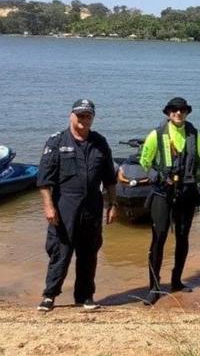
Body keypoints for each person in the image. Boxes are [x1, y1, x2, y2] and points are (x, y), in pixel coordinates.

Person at [36, 99, 117, 312]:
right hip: (65, 206)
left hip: (92, 205)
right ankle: (49, 295)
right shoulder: (56, 142)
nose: (83, 119)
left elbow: (110, 179)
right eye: (80, 115)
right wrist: (48, 207)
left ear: (93, 118)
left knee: (89, 253)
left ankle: (85, 296)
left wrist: (113, 203)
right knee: (60, 251)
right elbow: (44, 181)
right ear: (71, 116)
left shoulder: (100, 142)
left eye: (88, 116)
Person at [139, 97, 200, 305]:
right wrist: (156, 176)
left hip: (186, 194)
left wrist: (197, 185)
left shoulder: (195, 135)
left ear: (187, 112)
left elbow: (198, 163)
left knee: (183, 238)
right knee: (158, 239)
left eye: (182, 110)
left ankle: (176, 281)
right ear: (168, 113)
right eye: (174, 110)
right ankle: (154, 287)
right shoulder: (155, 135)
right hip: (162, 194)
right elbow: (145, 162)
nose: (178, 113)